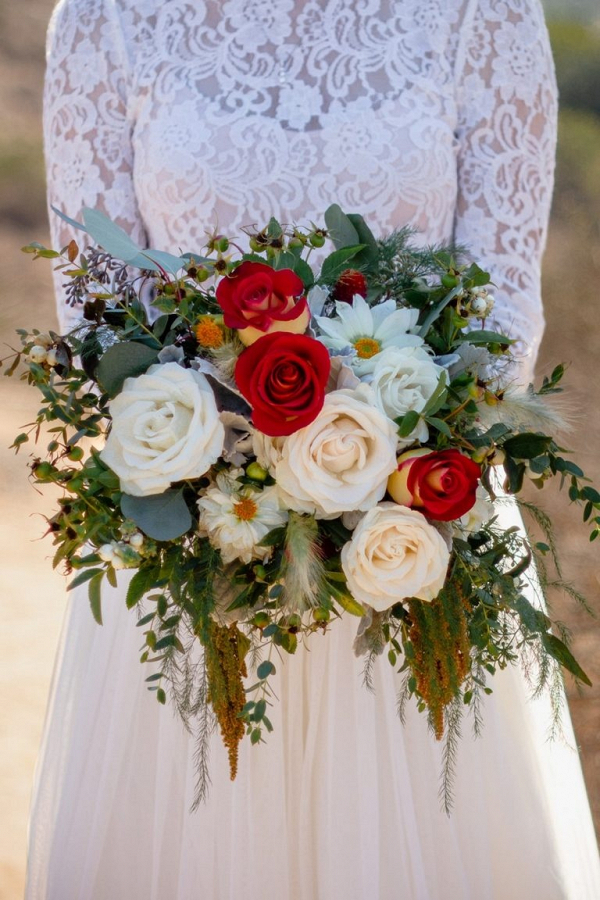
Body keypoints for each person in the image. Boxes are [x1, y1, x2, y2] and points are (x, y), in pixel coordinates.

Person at [26, 1, 600, 898]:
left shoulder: (483, 15)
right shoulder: (105, 17)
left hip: (413, 549)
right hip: (195, 544)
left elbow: (503, 313)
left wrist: (374, 482)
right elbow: (96, 313)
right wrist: (239, 475)